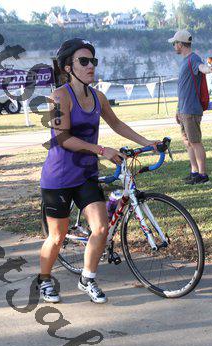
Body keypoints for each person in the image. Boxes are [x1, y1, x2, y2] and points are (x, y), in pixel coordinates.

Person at [39, 38, 158, 304]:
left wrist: (147, 142)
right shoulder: (59, 97)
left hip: (85, 175)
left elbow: (117, 124)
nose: (90, 66)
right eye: (83, 61)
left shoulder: (97, 96)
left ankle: (87, 279)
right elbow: (62, 138)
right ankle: (44, 279)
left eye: (93, 60)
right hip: (58, 177)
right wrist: (101, 150)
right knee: (57, 236)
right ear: (68, 67)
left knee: (101, 228)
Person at [169, 30, 212, 185]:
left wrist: (210, 69)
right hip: (184, 110)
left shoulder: (193, 58)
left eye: (174, 43)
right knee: (188, 143)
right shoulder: (185, 61)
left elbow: (202, 67)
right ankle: (194, 172)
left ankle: (203, 175)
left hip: (191, 110)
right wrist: (178, 110)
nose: (174, 46)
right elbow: (183, 89)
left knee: (195, 142)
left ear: (180, 44)